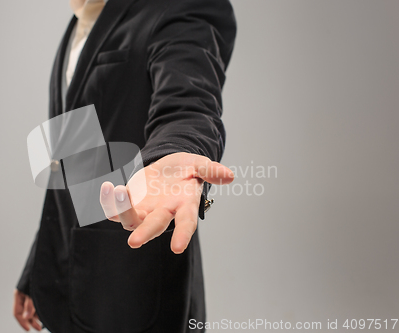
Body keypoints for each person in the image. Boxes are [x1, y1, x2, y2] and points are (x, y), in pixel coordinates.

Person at [13, 0, 237, 332]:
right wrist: (38, 266)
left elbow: (188, 104)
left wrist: (174, 152)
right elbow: (73, 159)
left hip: (136, 284)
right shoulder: (81, 21)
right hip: (71, 279)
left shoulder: (182, 7)